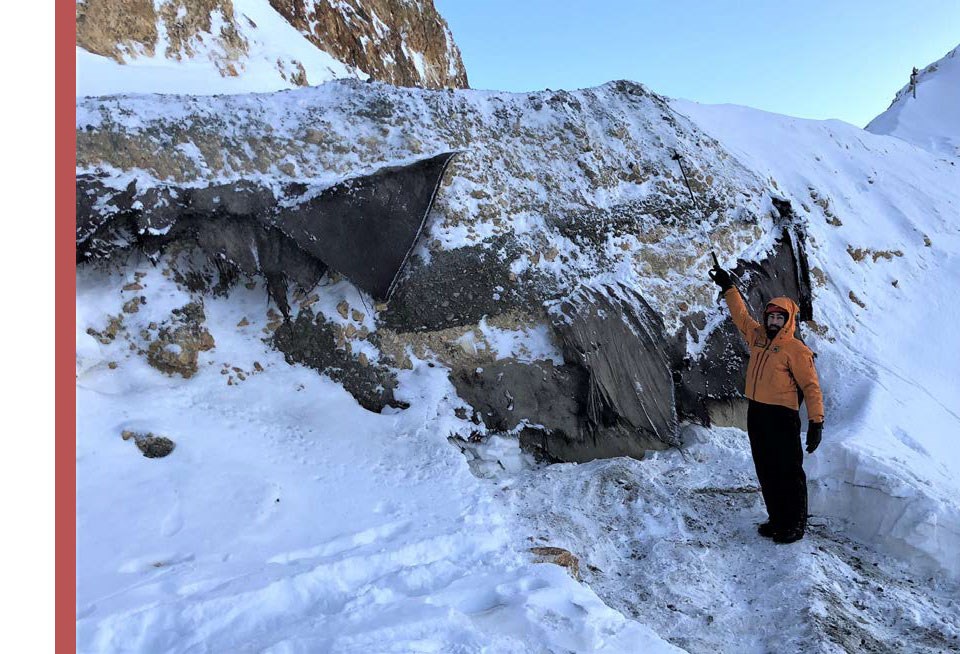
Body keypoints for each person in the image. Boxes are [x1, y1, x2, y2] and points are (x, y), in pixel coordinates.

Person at [709, 264, 824, 544]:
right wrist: (727, 287)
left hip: (783, 417)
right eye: (770, 317)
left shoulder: (796, 350)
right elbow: (740, 316)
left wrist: (816, 422)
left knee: (788, 471)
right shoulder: (758, 337)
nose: (773, 322)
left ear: (788, 321)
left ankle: (794, 524)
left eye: (779, 318)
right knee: (766, 469)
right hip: (758, 413)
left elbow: (811, 387)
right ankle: (777, 519)